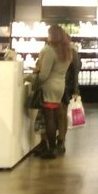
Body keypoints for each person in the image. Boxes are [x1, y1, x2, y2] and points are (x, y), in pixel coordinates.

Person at [31, 24, 73, 159]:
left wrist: (36, 73)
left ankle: (52, 149)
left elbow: (44, 75)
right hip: (60, 86)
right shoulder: (67, 51)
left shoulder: (50, 51)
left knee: (49, 118)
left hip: (49, 87)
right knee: (55, 116)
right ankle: (56, 145)